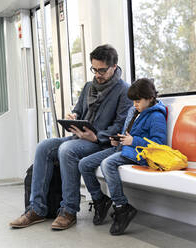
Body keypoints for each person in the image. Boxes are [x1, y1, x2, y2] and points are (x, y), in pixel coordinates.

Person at [10, 44, 132, 230]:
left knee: (67, 150)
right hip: (80, 137)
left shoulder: (124, 90)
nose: (97, 74)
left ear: (114, 67)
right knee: (44, 146)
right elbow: (79, 110)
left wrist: (96, 137)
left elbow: (120, 125)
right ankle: (36, 209)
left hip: (101, 144)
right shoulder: (89, 87)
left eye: (102, 70)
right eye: (94, 69)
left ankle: (69, 210)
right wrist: (73, 117)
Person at [79, 78, 167, 235]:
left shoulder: (156, 116)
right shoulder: (135, 111)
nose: (135, 104)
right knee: (84, 164)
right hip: (123, 149)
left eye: (138, 100)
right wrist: (118, 140)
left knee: (107, 164)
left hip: (140, 154)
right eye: (133, 101)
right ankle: (100, 200)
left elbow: (158, 145)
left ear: (150, 98)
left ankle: (121, 207)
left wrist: (133, 141)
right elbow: (129, 134)